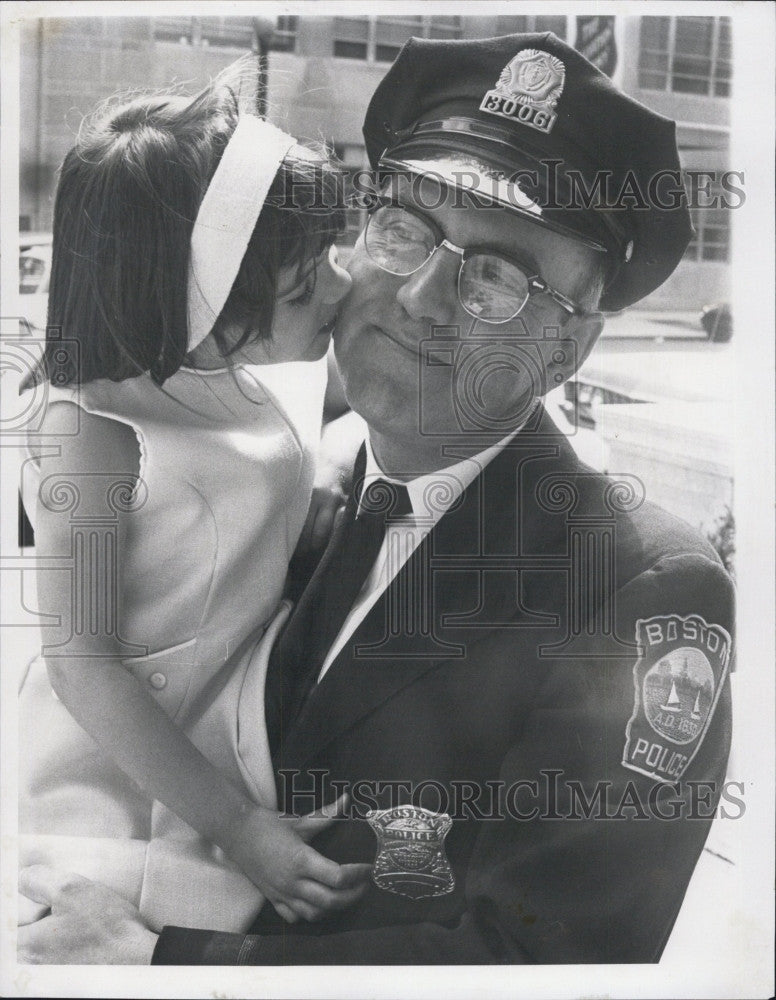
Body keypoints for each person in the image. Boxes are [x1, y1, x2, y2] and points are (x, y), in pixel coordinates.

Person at [19, 31, 734, 965]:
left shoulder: (639, 590)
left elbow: (544, 967)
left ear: (569, 349)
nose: (421, 297)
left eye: (497, 279)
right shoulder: (309, 497)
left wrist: (165, 965)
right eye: (405, 230)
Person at [17, 65, 372, 935]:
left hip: (240, 734)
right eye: (302, 287)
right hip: (133, 793)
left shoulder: (246, 368)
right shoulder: (90, 433)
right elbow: (83, 667)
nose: (338, 286)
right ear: (194, 303)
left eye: (333, 255)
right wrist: (240, 829)